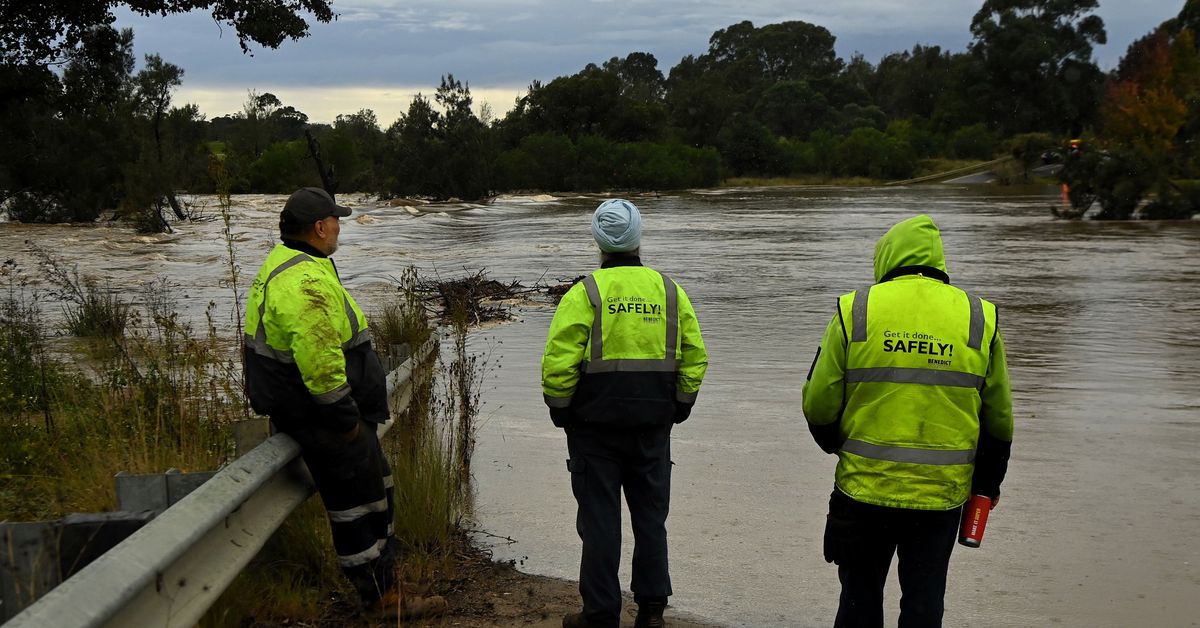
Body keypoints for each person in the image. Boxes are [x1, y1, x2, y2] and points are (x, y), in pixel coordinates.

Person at [242, 187, 444, 620]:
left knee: (377, 493)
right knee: (358, 508)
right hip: (324, 418)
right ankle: (381, 601)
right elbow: (319, 359)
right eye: (335, 219)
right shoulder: (304, 280)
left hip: (324, 414)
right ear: (318, 227)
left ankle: (389, 583)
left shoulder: (298, 265)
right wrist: (345, 417)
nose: (339, 226)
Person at [802, 214, 1013, 628]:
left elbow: (819, 404)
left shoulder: (856, 308)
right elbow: (999, 417)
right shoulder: (979, 316)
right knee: (924, 602)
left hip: (863, 488)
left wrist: (836, 443)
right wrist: (988, 482)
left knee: (859, 599)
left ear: (886, 257)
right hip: (941, 498)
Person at [541, 199, 708, 628]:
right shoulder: (670, 291)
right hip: (653, 427)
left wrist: (561, 413)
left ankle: (599, 614)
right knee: (651, 519)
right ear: (639, 238)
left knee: (599, 524)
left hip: (593, 430)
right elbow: (695, 357)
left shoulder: (586, 293)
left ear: (598, 242)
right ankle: (651, 612)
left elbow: (558, 365)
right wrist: (681, 406)